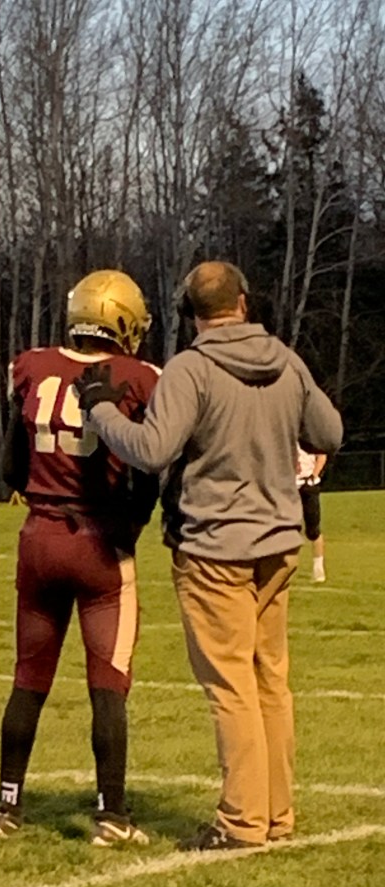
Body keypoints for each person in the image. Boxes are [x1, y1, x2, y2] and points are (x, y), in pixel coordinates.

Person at [74, 260, 343, 851]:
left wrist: (101, 410)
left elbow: (152, 450)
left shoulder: (190, 369)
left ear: (190, 313)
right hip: (279, 544)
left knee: (231, 687)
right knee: (270, 682)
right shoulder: (286, 361)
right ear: (244, 302)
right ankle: (276, 814)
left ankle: (242, 821)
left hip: (214, 547)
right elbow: (329, 433)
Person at [0, 269, 160, 846]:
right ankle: (112, 814)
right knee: (108, 681)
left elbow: (11, 469)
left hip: (39, 537)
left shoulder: (31, 366)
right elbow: (149, 467)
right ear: (121, 321)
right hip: (100, 541)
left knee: (29, 676)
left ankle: (6, 805)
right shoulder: (141, 378)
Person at [296, 444, 327, 582]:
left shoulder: (310, 438)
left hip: (308, 483)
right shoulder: (285, 435)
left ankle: (318, 568)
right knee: (286, 529)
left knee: (313, 530)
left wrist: (314, 476)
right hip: (289, 485)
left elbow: (322, 456)